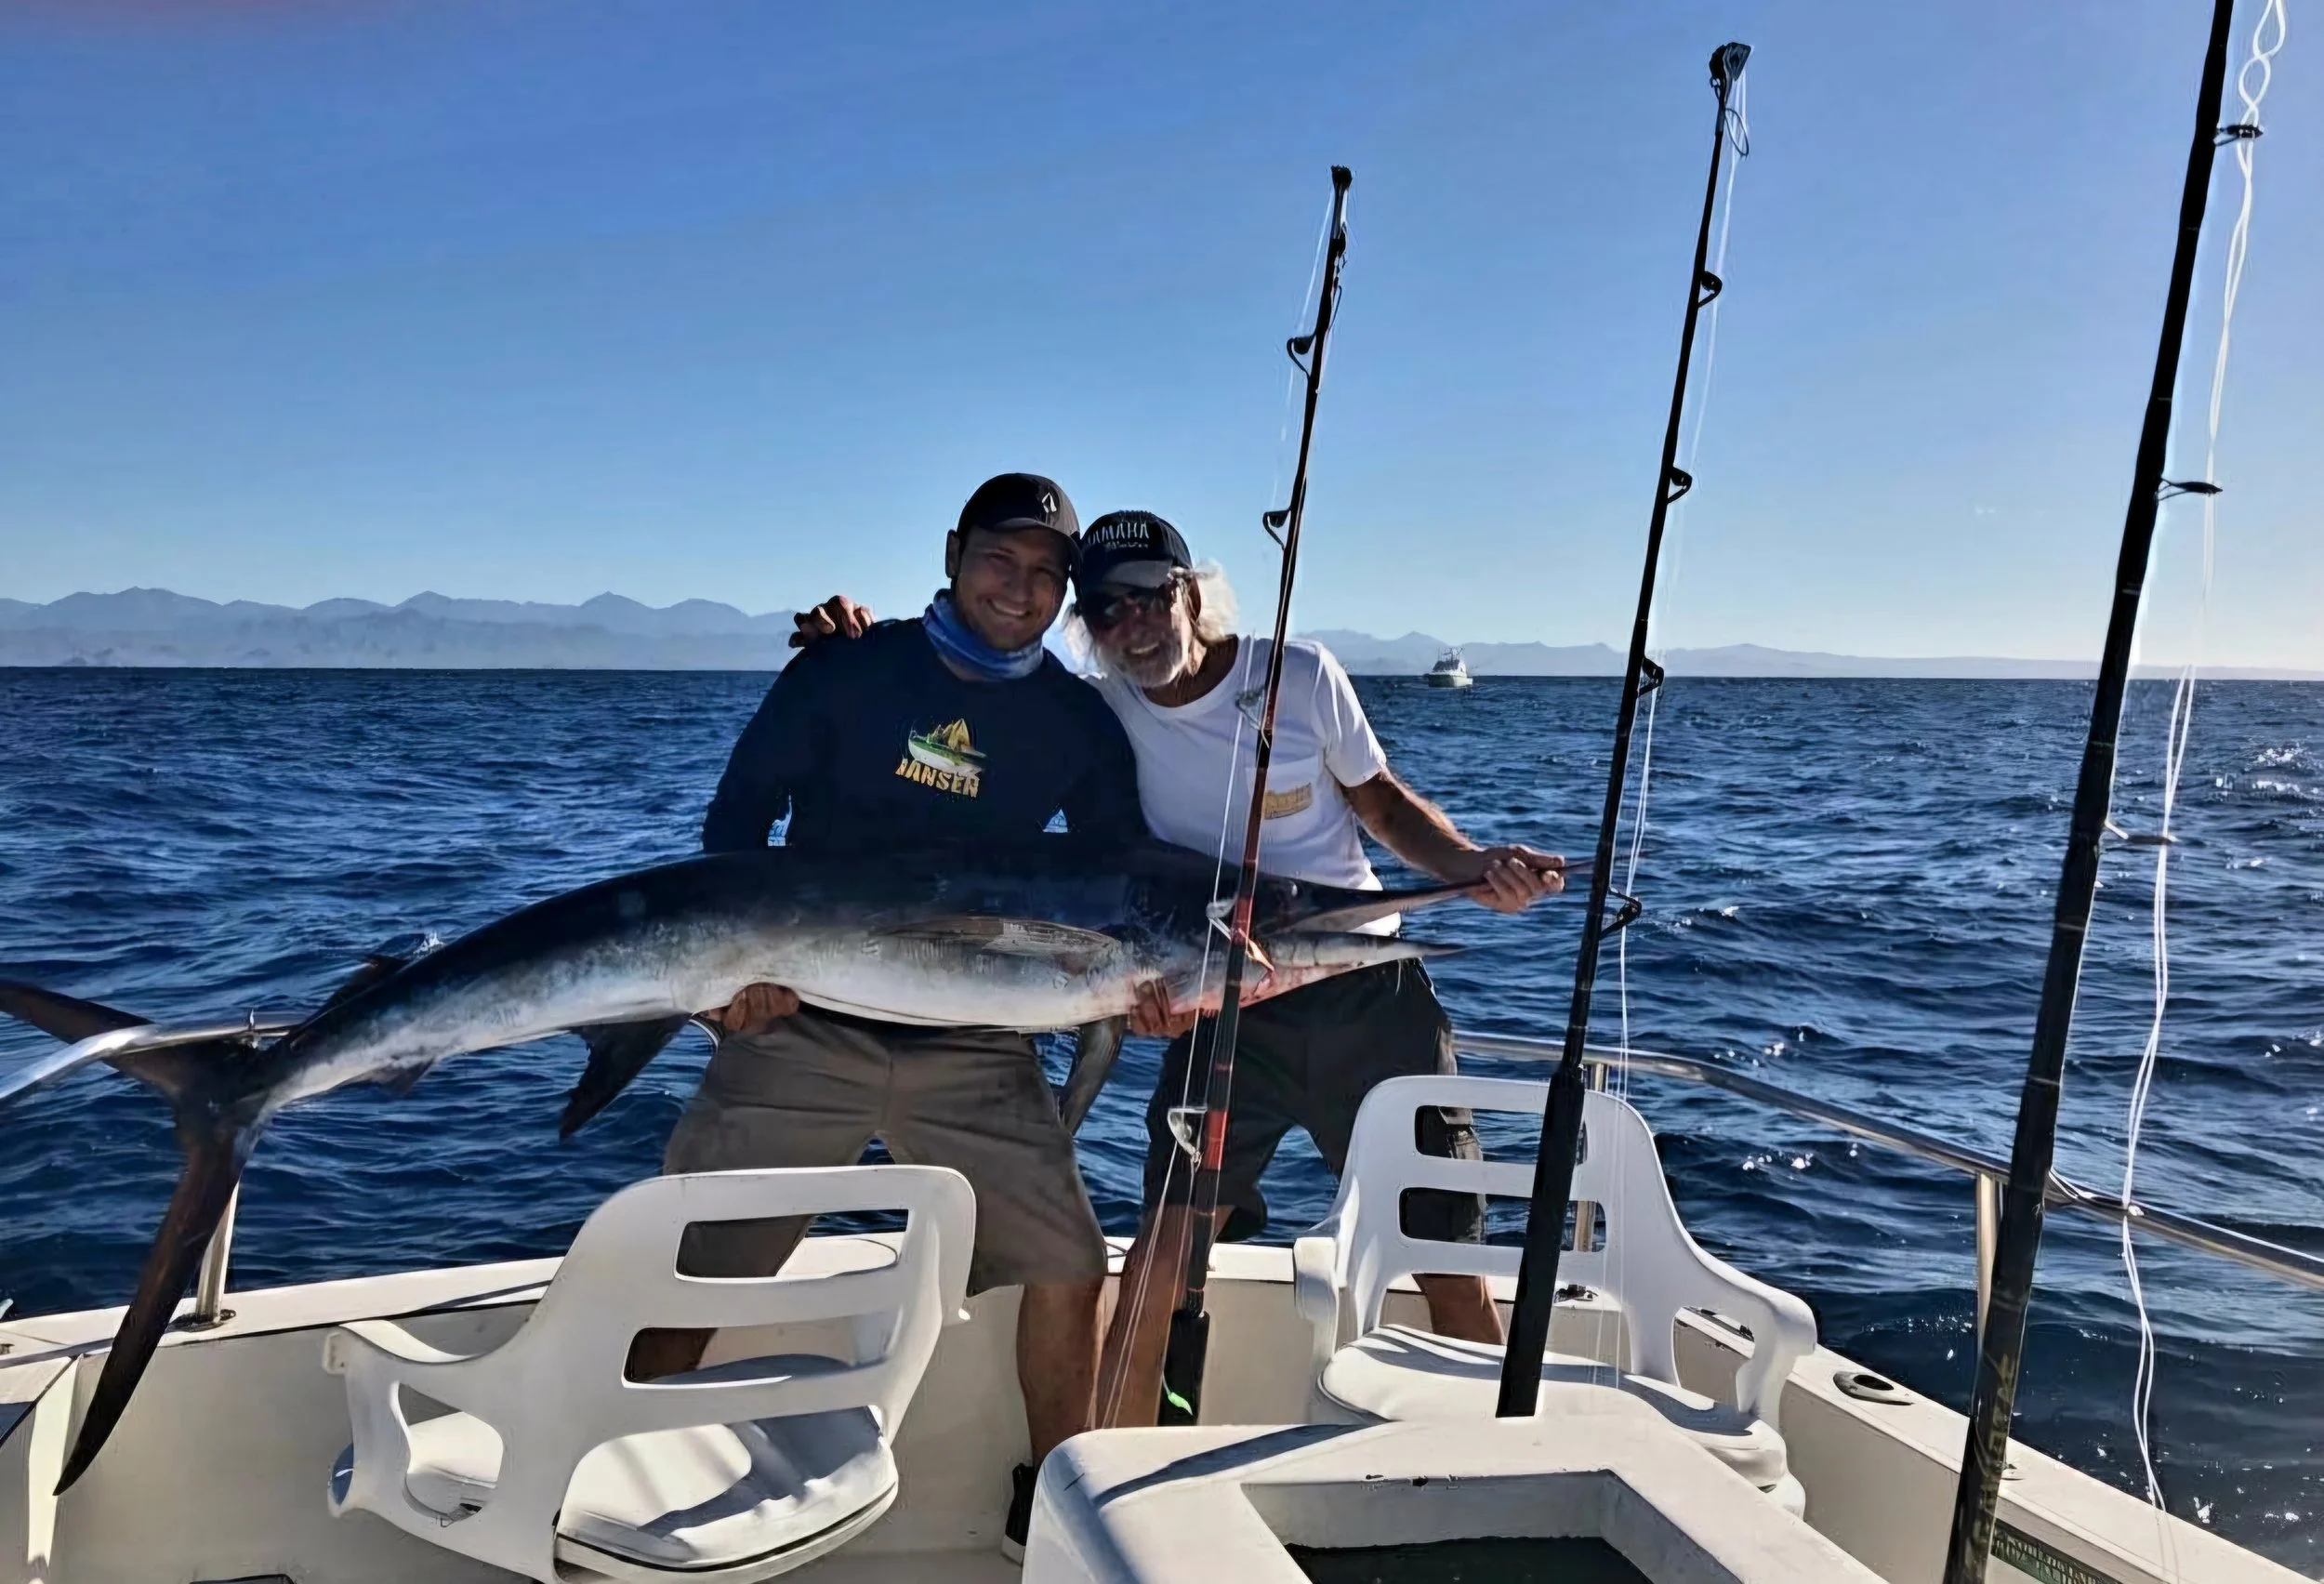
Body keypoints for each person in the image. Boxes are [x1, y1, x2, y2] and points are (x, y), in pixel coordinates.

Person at [791, 508, 1565, 1432]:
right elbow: (974, 695)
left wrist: (1470, 869)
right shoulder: (1100, 709)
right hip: (1212, 1006)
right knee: (1159, 1257)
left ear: (1191, 591)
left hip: (1369, 1004)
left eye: (1151, 596)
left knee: (1444, 1252)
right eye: (1107, 611)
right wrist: (856, 644)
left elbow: (1385, 806)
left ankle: (1499, 1471)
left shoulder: (1301, 675)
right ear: (1088, 627)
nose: (1134, 624)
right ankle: (1107, 1489)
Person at [640, 473, 1145, 1561]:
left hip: (972, 1040)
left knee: (1070, 1265)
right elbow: (737, 818)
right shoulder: (845, 670)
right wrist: (734, 974)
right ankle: (601, 1471)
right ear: (954, 552)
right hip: (802, 1021)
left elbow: (1120, 888)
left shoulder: (1075, 722)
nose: (1020, 590)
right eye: (999, 562)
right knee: (689, 1265)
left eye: (1046, 575)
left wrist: (1142, 987)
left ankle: (1058, 1518)